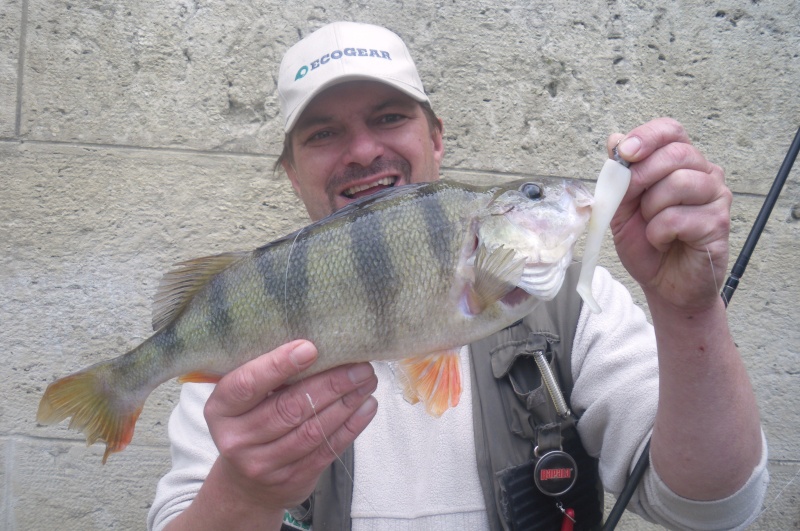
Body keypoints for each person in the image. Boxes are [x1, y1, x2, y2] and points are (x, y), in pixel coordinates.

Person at [148, 21, 768, 531]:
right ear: (292, 171)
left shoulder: (574, 306)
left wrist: (689, 312)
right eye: (324, 132)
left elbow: (711, 509)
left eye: (389, 117)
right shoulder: (244, 346)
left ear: (436, 139)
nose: (363, 150)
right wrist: (246, 493)